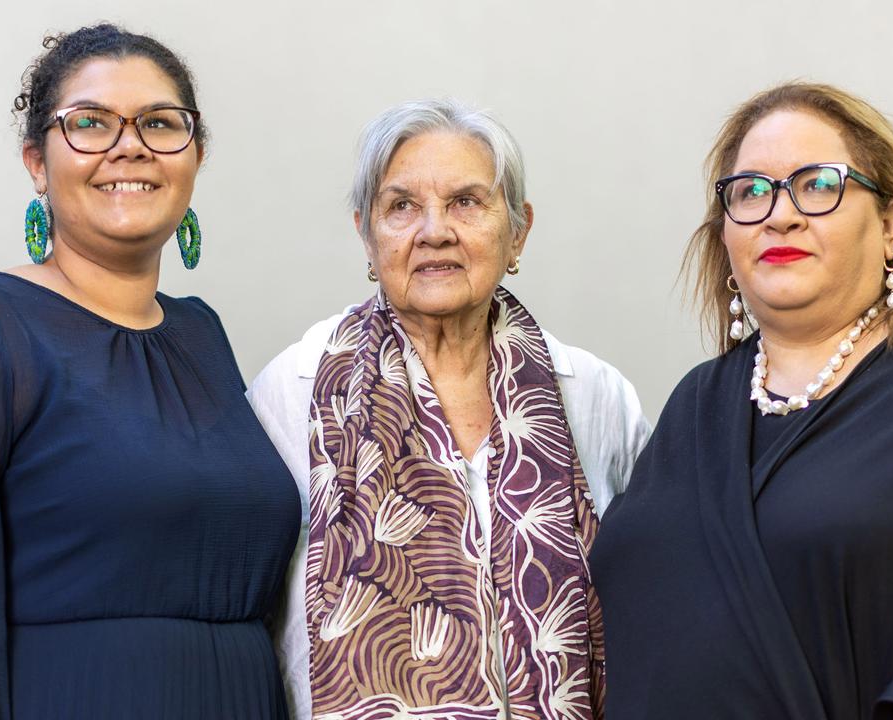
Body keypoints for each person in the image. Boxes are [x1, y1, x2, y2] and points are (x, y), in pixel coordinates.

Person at [0, 24, 299, 719]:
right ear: (37, 163)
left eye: (160, 123)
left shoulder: (201, 337)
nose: (128, 144)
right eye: (89, 123)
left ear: (196, 155)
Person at [590, 81, 893, 719]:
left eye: (818, 184)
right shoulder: (698, 404)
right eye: (751, 191)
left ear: (889, 223)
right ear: (725, 238)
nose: (780, 214)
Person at [247, 99, 650, 720]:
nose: (434, 230)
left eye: (466, 201)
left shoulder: (595, 397)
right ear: (366, 231)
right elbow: (255, 616)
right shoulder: (293, 390)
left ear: (518, 230)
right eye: (401, 206)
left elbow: (653, 597)